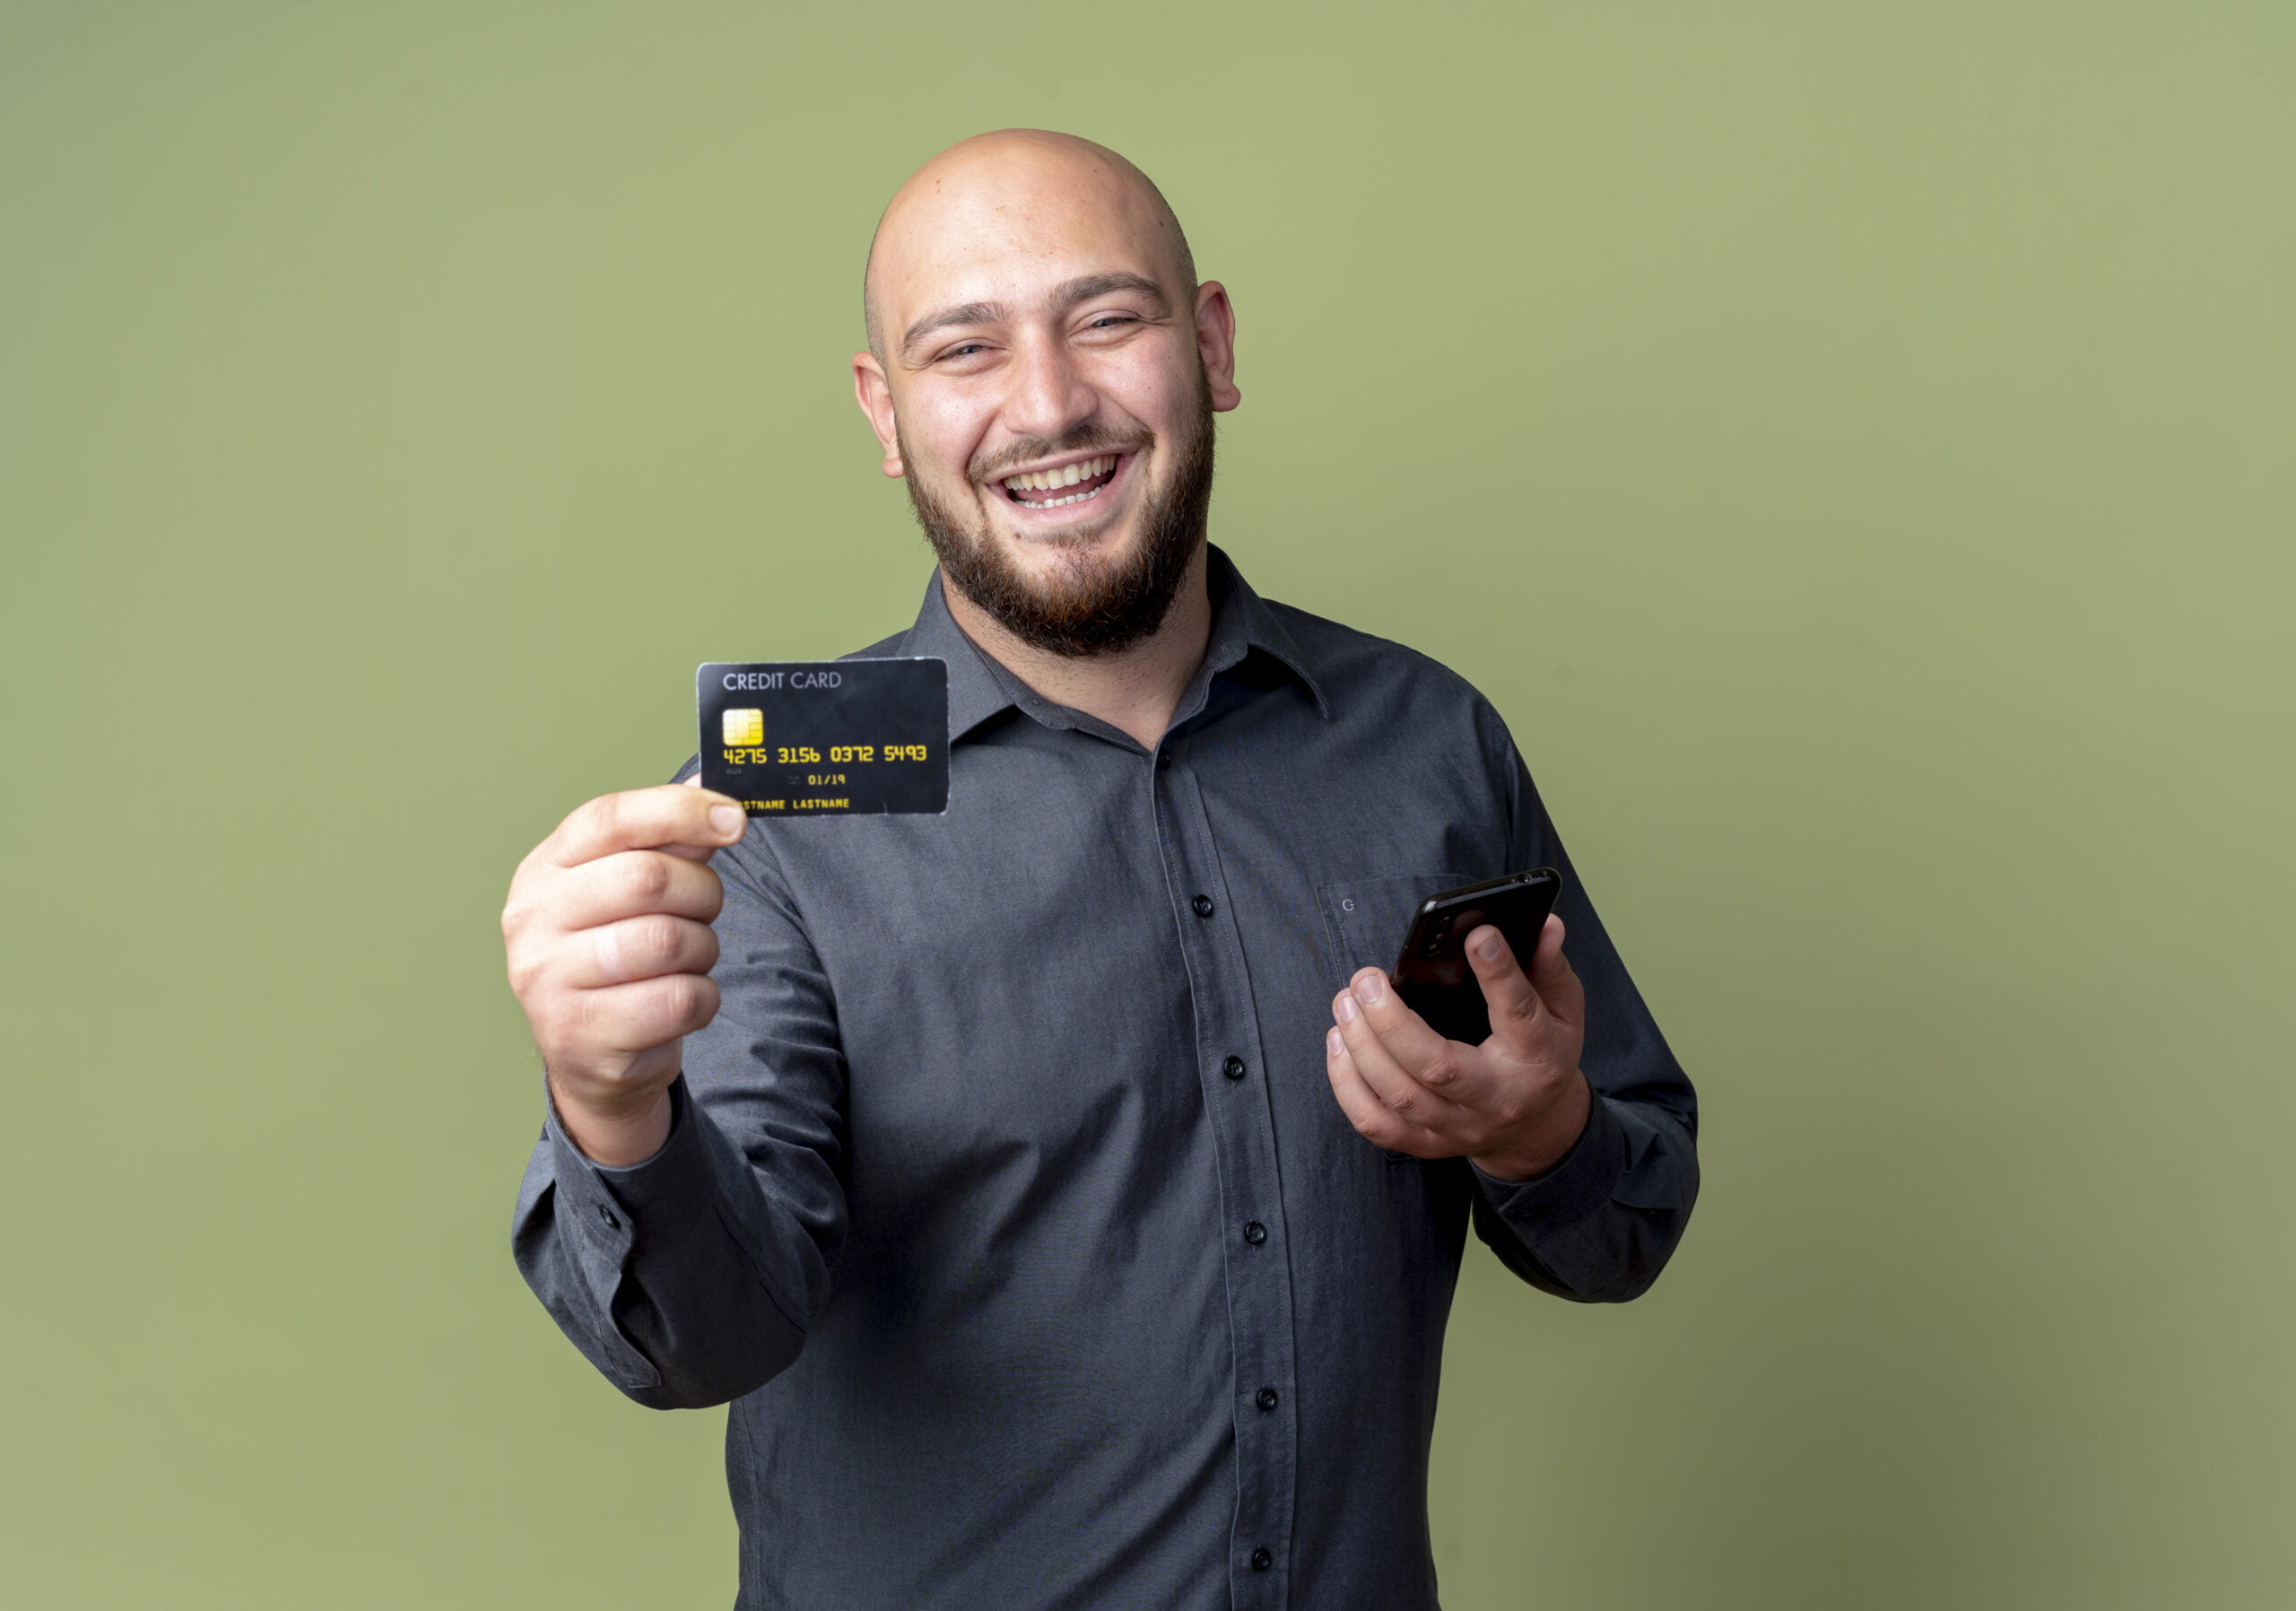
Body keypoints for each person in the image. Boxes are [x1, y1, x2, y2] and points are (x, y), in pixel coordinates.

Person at [504, 129, 1699, 1610]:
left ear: (1210, 345)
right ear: (887, 415)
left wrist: (1542, 1137)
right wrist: (614, 1110)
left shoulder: (1426, 743)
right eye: (964, 348)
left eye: (1108, 319)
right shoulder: (767, 823)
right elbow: (706, 1340)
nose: (1049, 404)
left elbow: (1629, 1224)